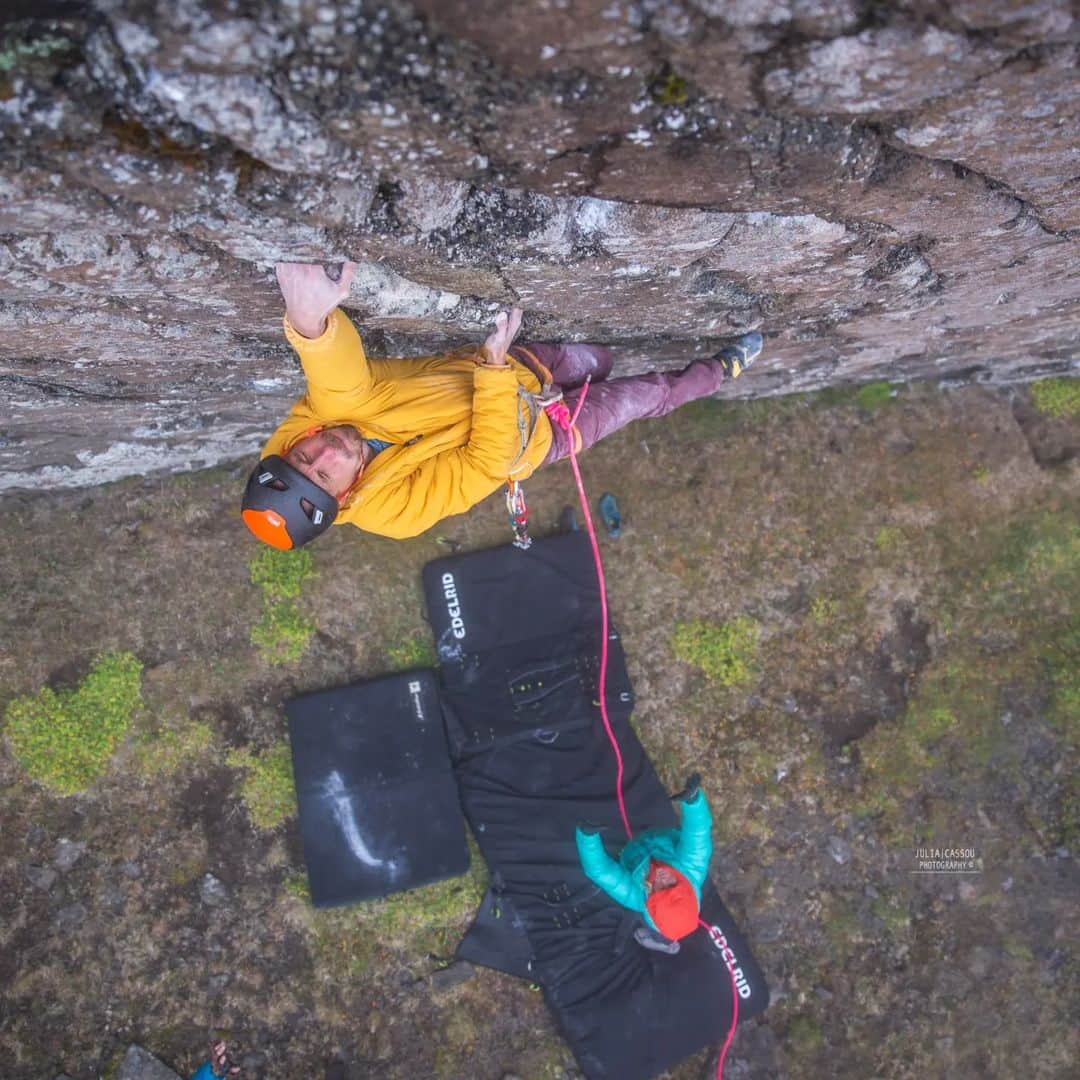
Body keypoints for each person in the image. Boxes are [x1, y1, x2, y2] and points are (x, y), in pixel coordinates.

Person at [241, 262, 763, 548]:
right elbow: (485, 462)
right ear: (343, 495)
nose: (327, 450)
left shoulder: (321, 421)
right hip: (543, 433)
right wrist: (491, 372)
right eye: (326, 475)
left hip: (523, 366)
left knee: (600, 358)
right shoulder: (394, 515)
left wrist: (309, 323)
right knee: (648, 395)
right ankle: (717, 373)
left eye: (305, 457)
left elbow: (339, 381)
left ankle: (609, 365)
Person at [575, 776, 712, 954]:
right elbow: (698, 832)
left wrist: (587, 837)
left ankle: (664, 944)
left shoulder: (634, 895)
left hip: (629, 854)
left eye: (661, 888)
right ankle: (669, 943)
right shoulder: (692, 865)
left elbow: (599, 871)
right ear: (684, 884)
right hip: (660, 836)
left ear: (649, 896)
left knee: (639, 923)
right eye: (672, 884)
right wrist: (693, 801)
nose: (664, 879)